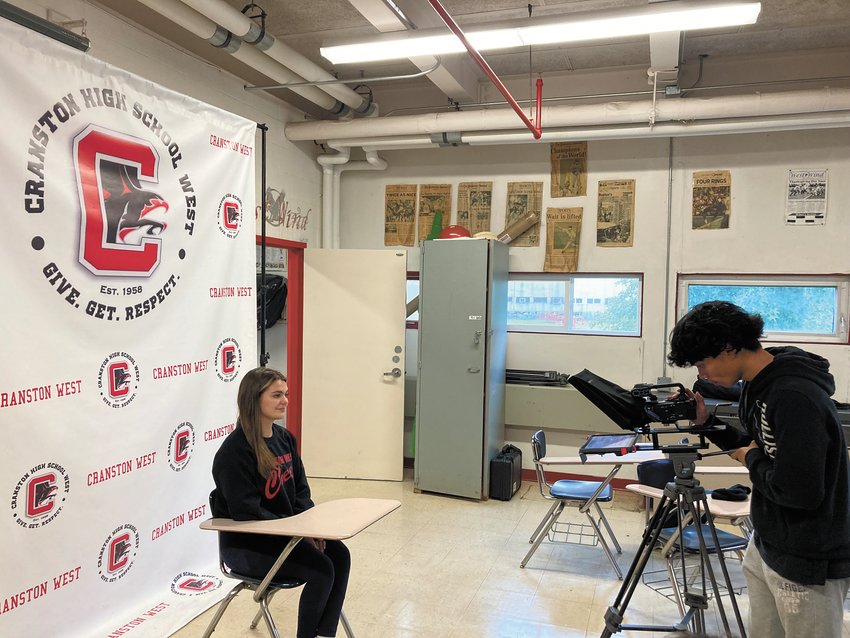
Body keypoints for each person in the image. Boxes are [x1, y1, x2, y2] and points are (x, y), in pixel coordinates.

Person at [668, 300, 850, 637]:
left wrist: (750, 459)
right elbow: (753, 445)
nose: (701, 374)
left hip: (807, 556)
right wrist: (707, 425)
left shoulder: (794, 395)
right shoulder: (758, 384)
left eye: (701, 363)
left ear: (728, 347)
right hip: (767, 540)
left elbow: (801, 492)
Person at [211, 367, 350, 638]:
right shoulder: (234, 452)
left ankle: (324, 633)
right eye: (276, 395)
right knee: (322, 569)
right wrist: (298, 534)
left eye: (285, 394)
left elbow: (301, 493)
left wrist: (312, 531)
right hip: (248, 544)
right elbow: (245, 511)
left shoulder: (285, 439)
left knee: (339, 555)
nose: (285, 400)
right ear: (254, 399)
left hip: (288, 536)